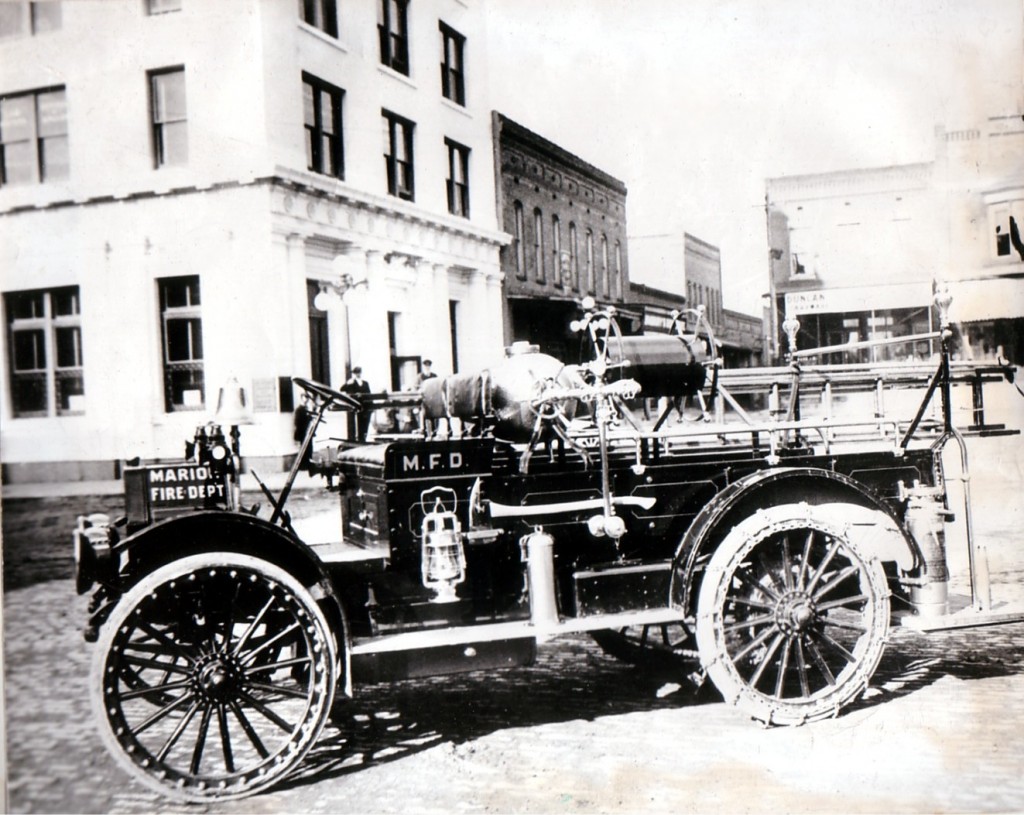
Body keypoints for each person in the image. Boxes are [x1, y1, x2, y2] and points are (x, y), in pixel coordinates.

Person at [342, 366, 372, 441]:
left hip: (365, 406)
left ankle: (363, 438)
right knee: (357, 424)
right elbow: (342, 389)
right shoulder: (352, 383)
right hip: (356, 406)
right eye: (355, 373)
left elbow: (369, 394)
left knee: (365, 424)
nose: (357, 374)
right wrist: (347, 383)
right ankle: (358, 438)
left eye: (358, 372)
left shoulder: (365, 383)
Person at [417, 359, 445, 437]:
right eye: (425, 366)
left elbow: (438, 386)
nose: (427, 367)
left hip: (433, 400)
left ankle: (434, 430)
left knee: (436, 414)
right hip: (424, 400)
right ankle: (423, 429)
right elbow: (416, 388)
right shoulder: (419, 377)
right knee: (423, 413)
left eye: (428, 366)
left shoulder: (434, 376)